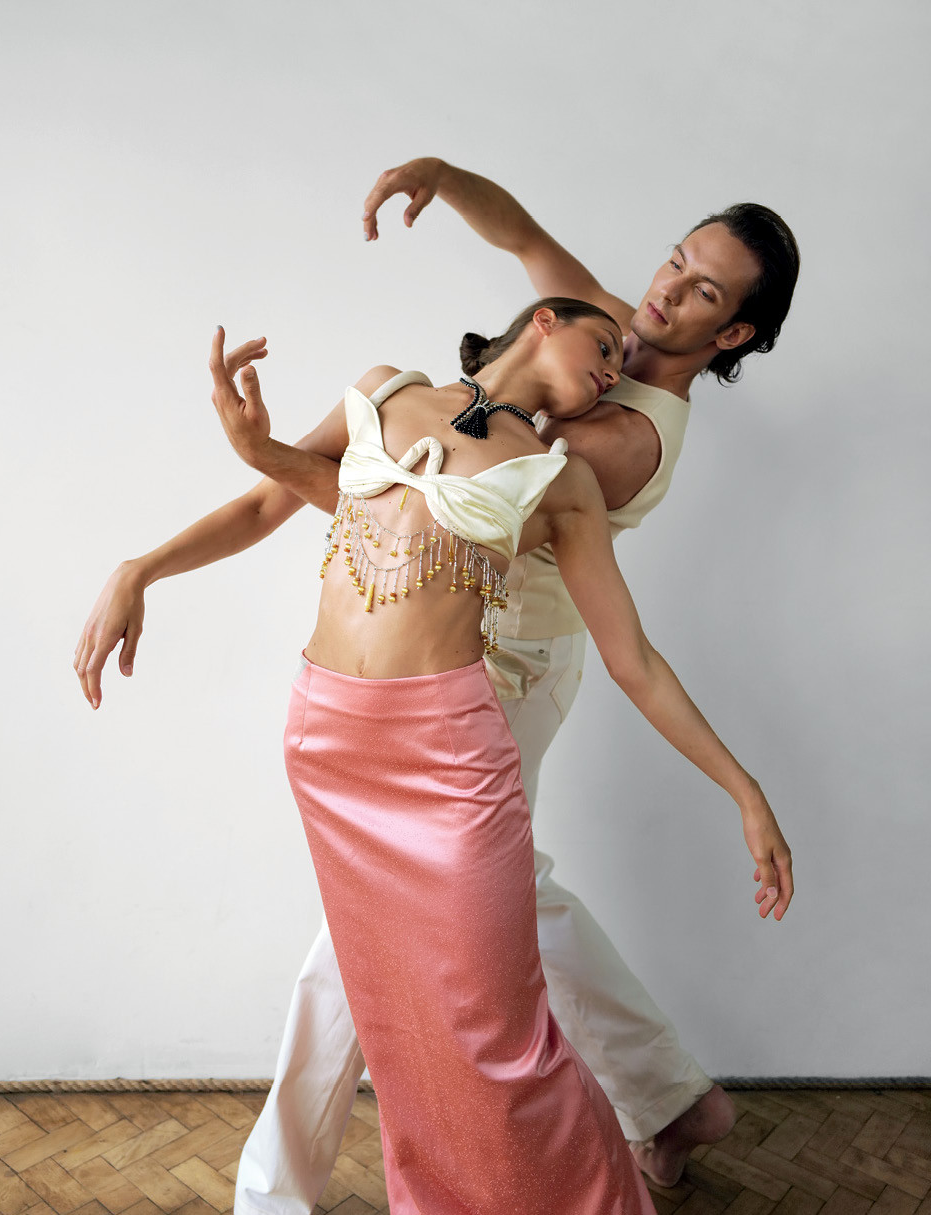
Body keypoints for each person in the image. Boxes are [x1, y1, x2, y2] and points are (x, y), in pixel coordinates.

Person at [74, 169, 798, 1207]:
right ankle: (672, 1099)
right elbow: (525, 241)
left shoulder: (605, 445)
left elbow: (431, 515)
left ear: (731, 335)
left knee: (389, 960)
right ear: (548, 320)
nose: (662, 295)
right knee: (498, 910)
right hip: (343, 717)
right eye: (677, 262)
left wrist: (744, 789)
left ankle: (279, 1192)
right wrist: (442, 178)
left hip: (500, 679)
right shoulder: (559, 341)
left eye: (703, 295)